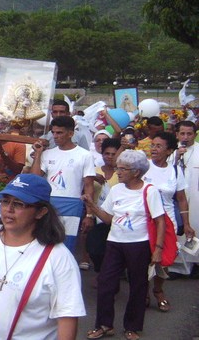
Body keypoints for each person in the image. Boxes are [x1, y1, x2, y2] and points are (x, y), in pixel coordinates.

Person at [0, 174, 85, 339]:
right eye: (5, 201)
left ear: (41, 212)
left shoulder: (58, 257)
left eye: (19, 204)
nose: (8, 209)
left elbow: (67, 315)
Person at [83, 150, 165, 340]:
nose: (118, 172)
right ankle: (104, 324)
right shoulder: (116, 190)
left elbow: (160, 220)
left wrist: (158, 249)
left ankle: (133, 327)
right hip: (114, 243)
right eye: (118, 168)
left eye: (123, 169)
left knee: (138, 286)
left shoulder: (149, 190)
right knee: (106, 284)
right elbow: (109, 219)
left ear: (136, 172)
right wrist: (92, 207)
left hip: (139, 244)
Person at [31, 115, 95, 270]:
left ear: (71, 133)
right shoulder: (48, 154)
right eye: (54, 132)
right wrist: (39, 154)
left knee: (66, 246)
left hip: (72, 207)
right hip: (49, 206)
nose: (55, 136)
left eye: (60, 133)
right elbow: (35, 178)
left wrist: (89, 214)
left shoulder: (84, 155)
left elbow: (88, 186)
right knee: (44, 243)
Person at [142, 131, 193, 310]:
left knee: (164, 258)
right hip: (144, 220)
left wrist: (186, 223)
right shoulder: (144, 166)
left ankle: (158, 290)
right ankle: (144, 292)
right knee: (144, 257)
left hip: (167, 222)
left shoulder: (175, 170)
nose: (153, 149)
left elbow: (181, 199)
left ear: (169, 150)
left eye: (158, 146)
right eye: (153, 145)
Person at [87, 138, 121, 273]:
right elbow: (86, 189)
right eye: (107, 153)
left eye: (114, 154)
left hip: (116, 217)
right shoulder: (94, 170)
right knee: (95, 249)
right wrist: (88, 215)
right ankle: (100, 272)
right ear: (102, 153)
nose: (110, 157)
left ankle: (112, 274)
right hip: (96, 216)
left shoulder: (122, 173)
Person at [172, 121, 199, 276]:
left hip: (195, 198)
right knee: (178, 232)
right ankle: (177, 266)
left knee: (195, 228)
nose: (185, 137)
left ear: (195, 134)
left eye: (189, 133)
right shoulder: (171, 151)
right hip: (177, 199)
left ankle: (195, 263)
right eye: (182, 133)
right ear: (177, 134)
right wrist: (176, 158)